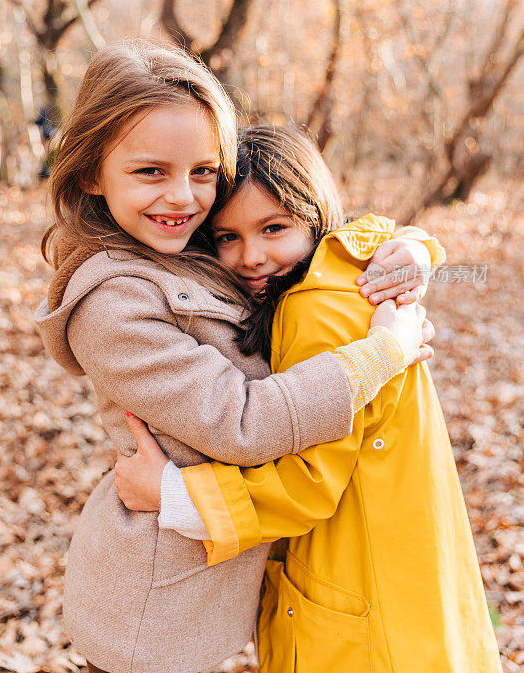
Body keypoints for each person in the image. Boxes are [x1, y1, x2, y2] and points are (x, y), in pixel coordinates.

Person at [35, 41, 438, 673]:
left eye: (202, 171)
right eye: (150, 173)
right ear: (91, 173)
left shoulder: (183, 245)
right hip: (152, 613)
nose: (183, 197)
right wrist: (382, 353)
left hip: (209, 587)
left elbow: (319, 224)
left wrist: (415, 249)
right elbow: (242, 422)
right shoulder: (113, 305)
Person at [116, 125, 501, 673]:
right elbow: (375, 234)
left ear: (313, 211)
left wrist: (175, 495)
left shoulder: (311, 310)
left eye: (273, 228)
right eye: (227, 236)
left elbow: (309, 480)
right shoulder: (342, 268)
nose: (252, 256)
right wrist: (419, 245)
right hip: (404, 574)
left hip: (362, 607)